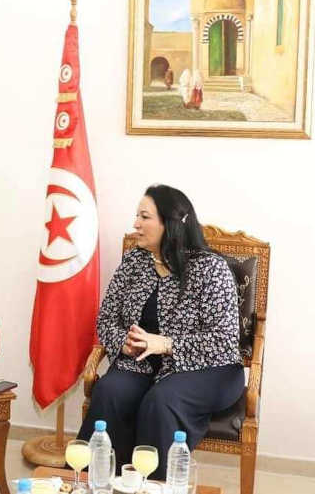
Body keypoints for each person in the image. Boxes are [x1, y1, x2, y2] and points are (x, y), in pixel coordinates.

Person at [77, 185, 244, 480]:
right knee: (110, 391)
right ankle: (102, 482)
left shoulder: (211, 269)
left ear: (171, 223)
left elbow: (224, 341)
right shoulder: (134, 262)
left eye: (144, 217)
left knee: (161, 400)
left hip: (208, 368)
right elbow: (106, 319)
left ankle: (155, 485)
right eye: (136, 216)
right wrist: (124, 343)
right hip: (141, 362)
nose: (135, 224)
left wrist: (166, 344)